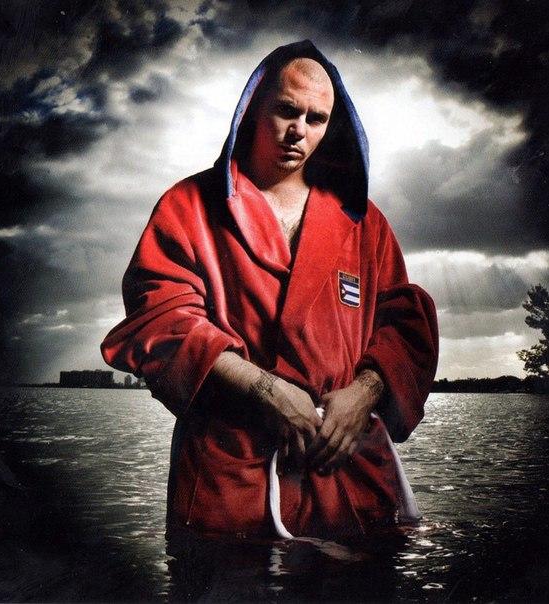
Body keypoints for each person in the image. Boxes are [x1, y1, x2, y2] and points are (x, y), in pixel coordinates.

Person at [101, 40, 438, 540]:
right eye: (286, 110)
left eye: (316, 119)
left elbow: (404, 328)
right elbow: (163, 318)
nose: (298, 129)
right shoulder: (188, 206)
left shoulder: (365, 223)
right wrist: (268, 392)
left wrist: (363, 393)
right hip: (231, 476)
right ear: (254, 108)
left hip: (343, 468)